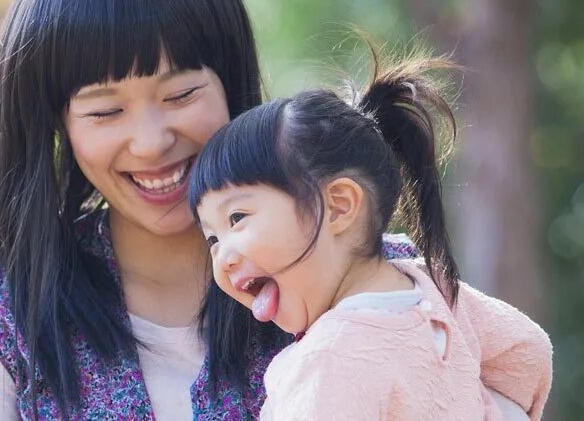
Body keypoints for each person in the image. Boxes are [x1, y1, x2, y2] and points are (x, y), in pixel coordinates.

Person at [0, 0, 419, 418]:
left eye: (181, 95)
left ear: (230, 81)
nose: (152, 143)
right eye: (105, 111)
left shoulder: (365, 274)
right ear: (57, 123)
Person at [189, 53, 553, 420]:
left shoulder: (327, 361)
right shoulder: (434, 287)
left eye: (237, 218)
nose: (223, 257)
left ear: (338, 206)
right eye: (212, 240)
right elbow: (527, 351)